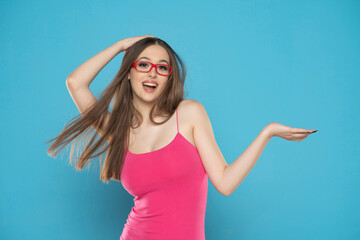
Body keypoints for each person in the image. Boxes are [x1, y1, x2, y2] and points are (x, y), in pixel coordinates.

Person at [46, 35, 317, 239]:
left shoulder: (188, 114)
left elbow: (224, 182)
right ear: (128, 73)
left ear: (168, 78)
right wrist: (120, 46)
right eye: (143, 64)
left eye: (163, 67)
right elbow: (75, 83)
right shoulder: (120, 131)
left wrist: (266, 133)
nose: (153, 72)